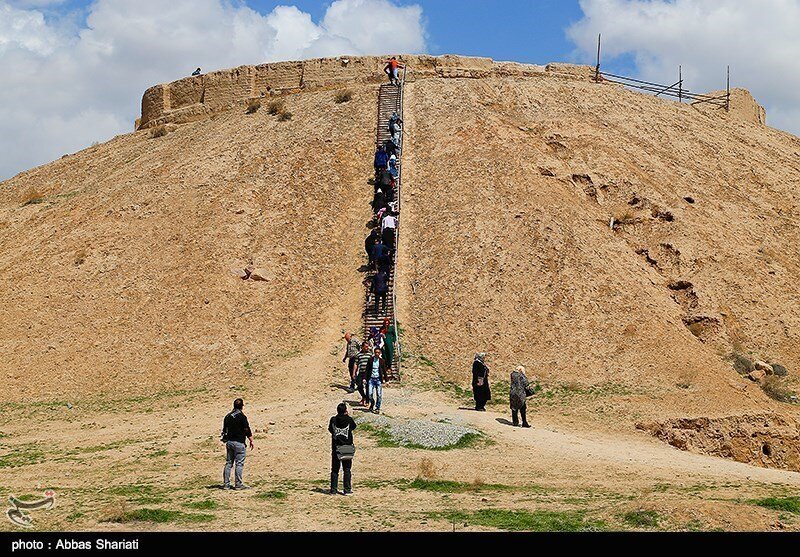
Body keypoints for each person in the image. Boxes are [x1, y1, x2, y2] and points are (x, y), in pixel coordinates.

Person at [220, 398, 254, 490]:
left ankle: (226, 484)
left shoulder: (228, 416)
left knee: (228, 463)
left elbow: (224, 430)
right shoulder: (242, 417)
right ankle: (238, 484)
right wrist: (251, 439)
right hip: (239, 443)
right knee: (239, 464)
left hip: (229, 442)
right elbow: (246, 429)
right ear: (242, 406)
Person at [328, 403, 357, 495]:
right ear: (345, 411)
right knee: (347, 469)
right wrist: (347, 416)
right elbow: (353, 427)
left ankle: (333, 490)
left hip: (336, 447)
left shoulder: (333, 420)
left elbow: (330, 430)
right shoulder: (349, 420)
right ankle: (347, 489)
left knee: (335, 470)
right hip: (347, 447)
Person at [366, 347, 388, 413]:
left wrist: (386, 380)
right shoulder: (370, 360)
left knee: (379, 394)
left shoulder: (382, 361)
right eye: (376, 352)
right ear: (374, 353)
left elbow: (384, 371)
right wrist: (365, 378)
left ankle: (377, 408)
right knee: (369, 394)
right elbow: (367, 370)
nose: (377, 354)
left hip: (378, 379)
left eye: (378, 352)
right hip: (371, 379)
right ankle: (372, 403)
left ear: (380, 353)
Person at [354, 341, 372, 405]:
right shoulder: (358, 355)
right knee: (359, 385)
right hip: (361, 372)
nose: (367, 348)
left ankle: (367, 401)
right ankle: (364, 397)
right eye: (366, 346)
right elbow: (356, 364)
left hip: (368, 373)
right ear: (362, 347)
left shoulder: (370, 354)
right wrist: (354, 373)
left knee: (367, 387)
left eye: (368, 346)